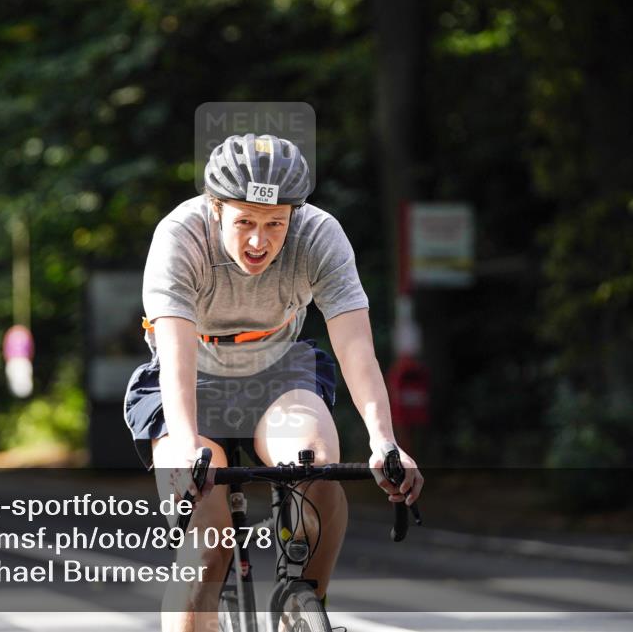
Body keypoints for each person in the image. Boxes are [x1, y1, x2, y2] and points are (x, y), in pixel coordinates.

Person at [124, 133, 424, 632]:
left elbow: (355, 346)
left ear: (295, 216)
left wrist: (384, 441)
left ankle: (303, 603)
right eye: (244, 222)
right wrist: (181, 444)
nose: (259, 241)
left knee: (317, 467)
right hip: (190, 376)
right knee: (207, 541)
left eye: (274, 224)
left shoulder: (319, 235)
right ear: (215, 209)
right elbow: (174, 351)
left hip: (277, 371)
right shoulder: (180, 236)